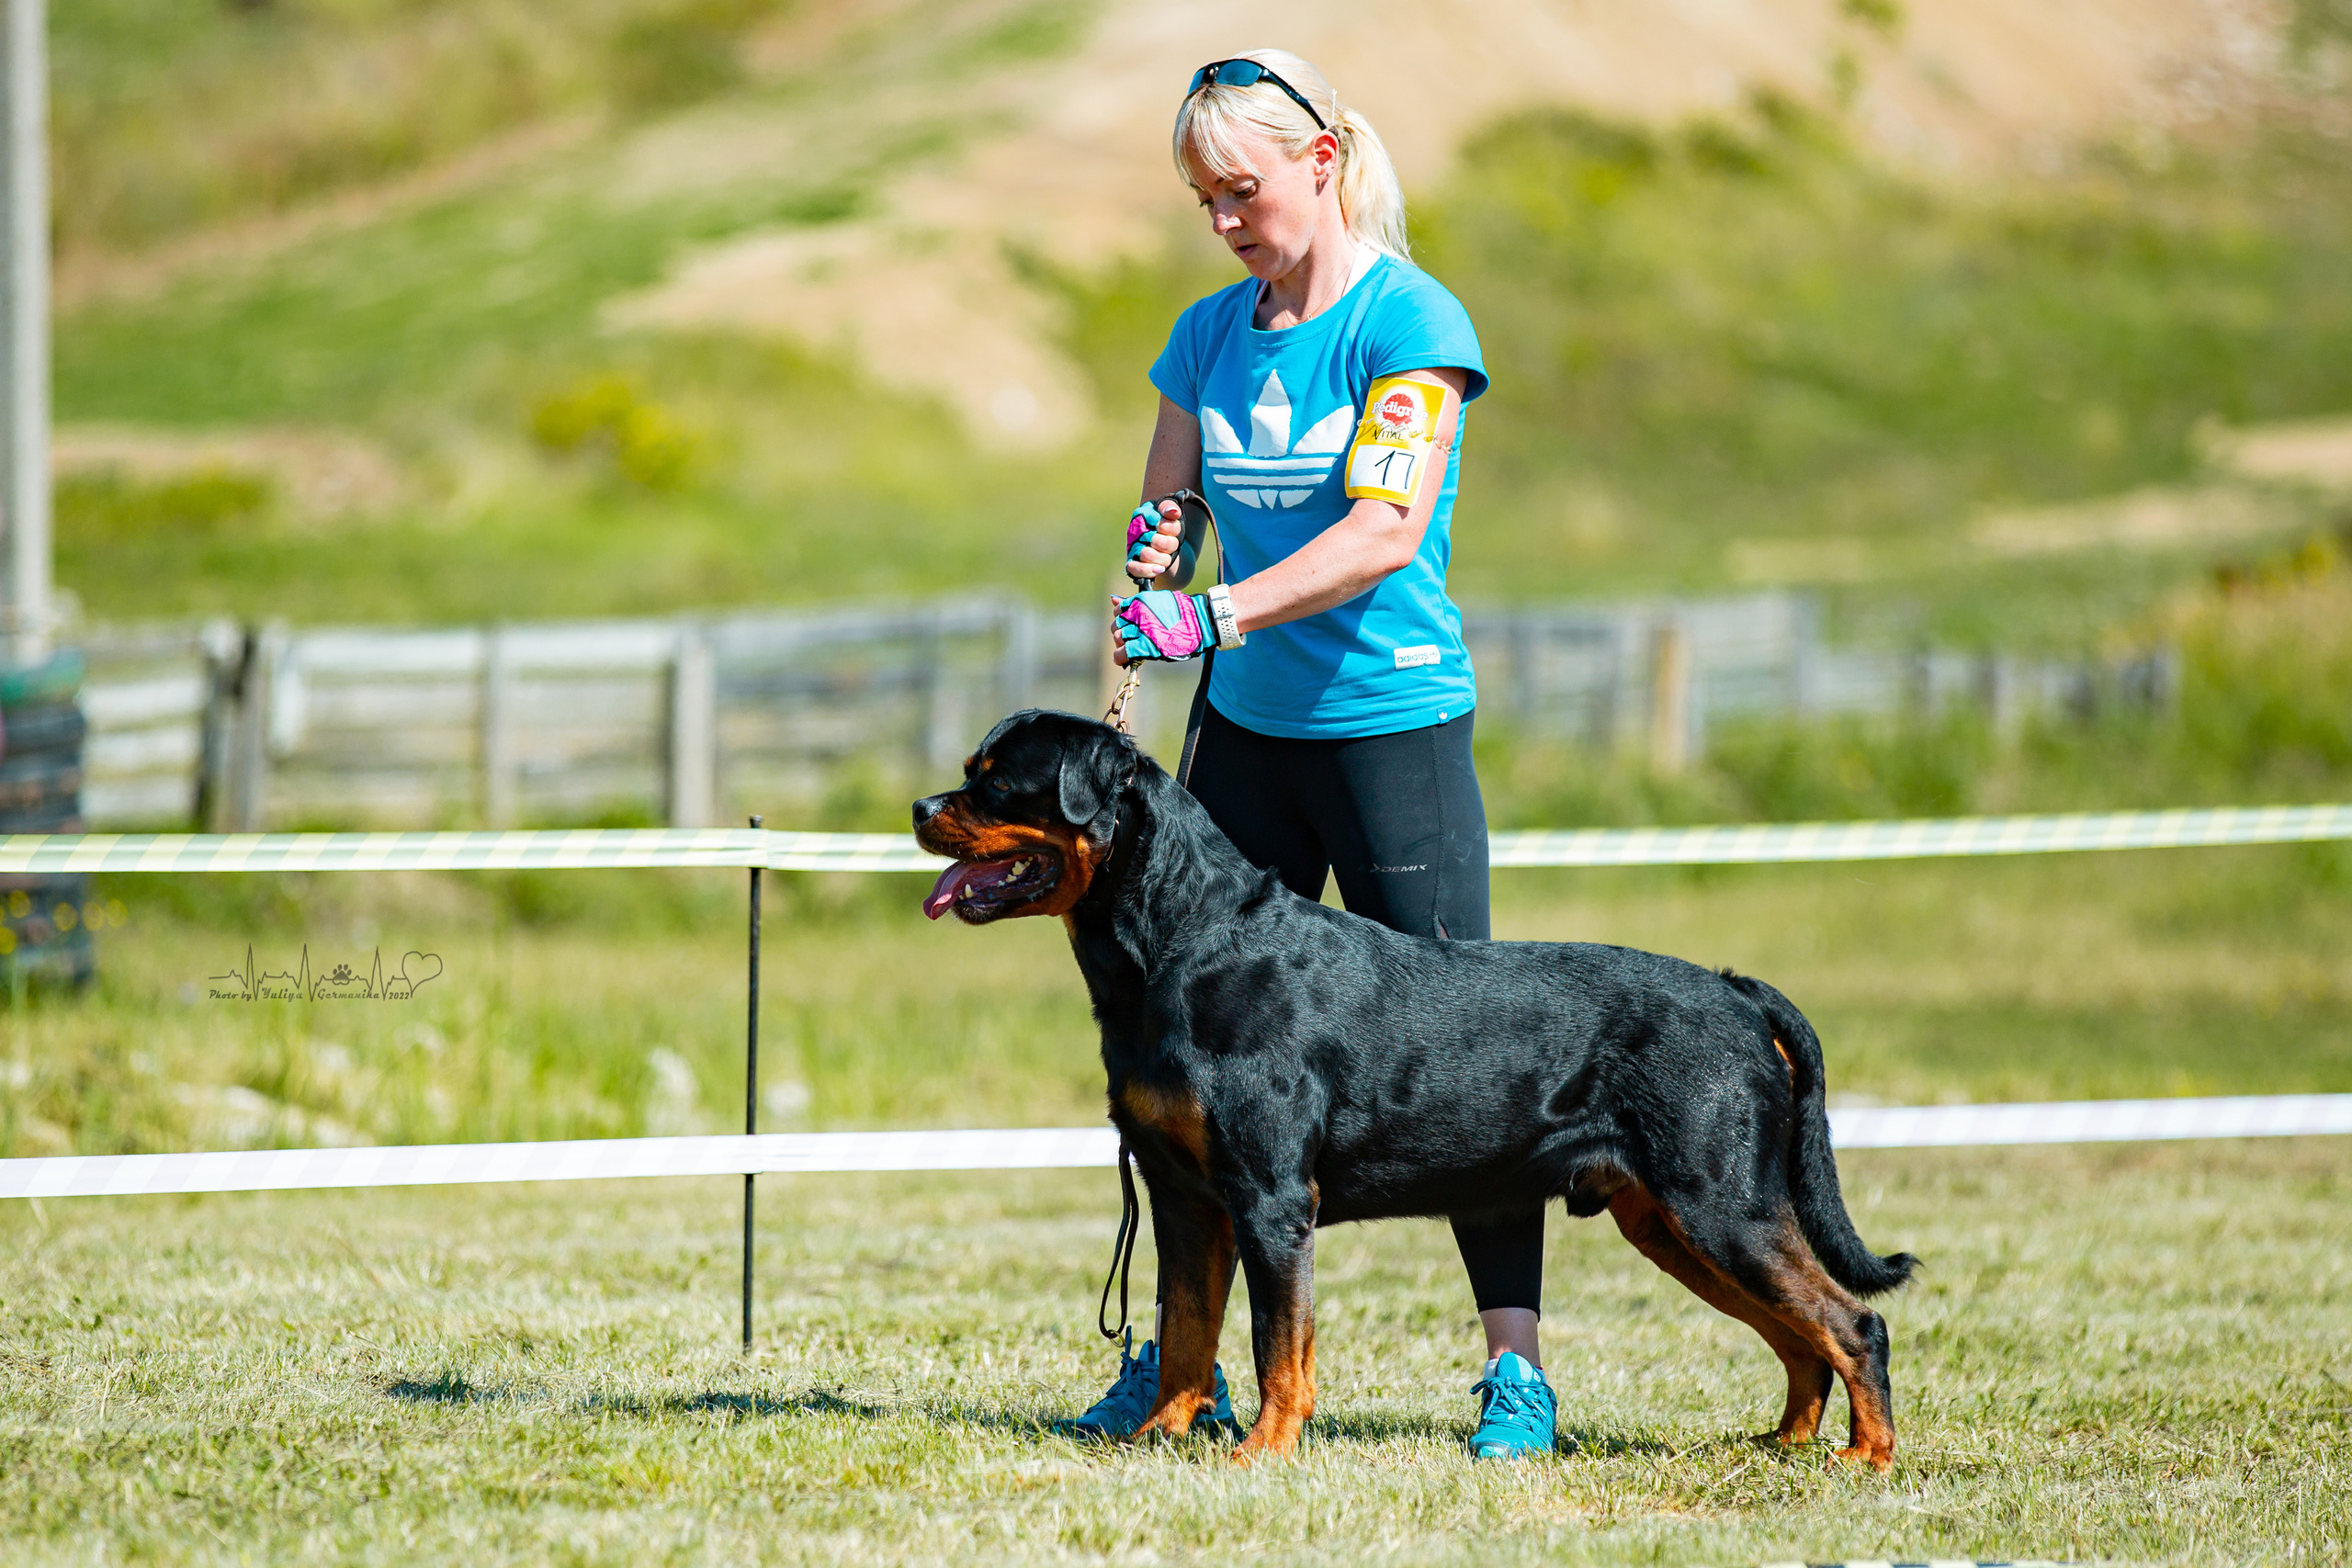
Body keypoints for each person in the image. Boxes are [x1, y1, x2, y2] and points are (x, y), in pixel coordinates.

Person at [1073, 50, 1555, 1461]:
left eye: (1244, 190)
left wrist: (1210, 609)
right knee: (1187, 1057)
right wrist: (1155, 561)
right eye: (1202, 198)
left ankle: (1513, 1374)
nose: (1224, 220)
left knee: (1478, 1056)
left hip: (1394, 726)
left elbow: (1383, 533)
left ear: (1324, 161)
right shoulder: (1205, 336)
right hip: (1245, 743)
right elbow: (1167, 506)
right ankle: (1181, 1372)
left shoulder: (1415, 322)